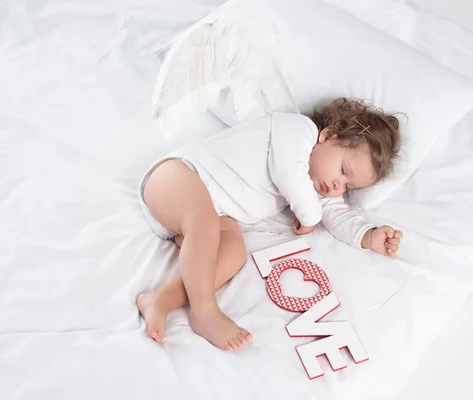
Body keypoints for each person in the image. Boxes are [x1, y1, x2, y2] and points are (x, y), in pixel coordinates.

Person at [136, 97, 404, 350]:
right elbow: (289, 174)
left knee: (232, 254)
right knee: (203, 222)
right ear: (329, 136)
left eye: (347, 187)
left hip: (214, 214)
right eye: (343, 171)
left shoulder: (316, 190)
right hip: (179, 176)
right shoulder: (298, 130)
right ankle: (204, 311)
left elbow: (336, 214)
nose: (337, 185)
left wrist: (368, 235)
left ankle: (160, 299)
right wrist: (310, 218)